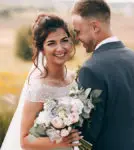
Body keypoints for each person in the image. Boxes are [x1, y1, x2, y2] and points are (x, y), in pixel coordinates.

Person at [71, 0, 134, 150]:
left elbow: (88, 134)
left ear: (95, 27)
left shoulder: (91, 70)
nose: (77, 38)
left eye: (78, 31)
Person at [1, 14, 82, 150]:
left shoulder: (74, 78)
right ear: (42, 50)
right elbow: (26, 140)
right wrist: (60, 143)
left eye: (64, 40)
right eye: (51, 43)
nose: (60, 48)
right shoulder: (39, 88)